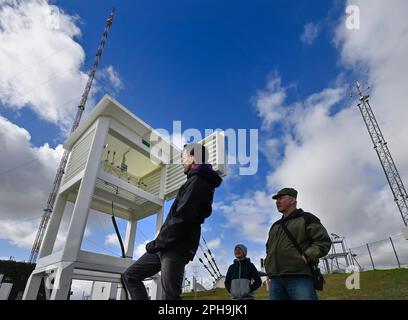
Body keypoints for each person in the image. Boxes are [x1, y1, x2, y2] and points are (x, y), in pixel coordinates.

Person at [122, 143, 222, 299]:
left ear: (193, 158)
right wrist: (159, 244)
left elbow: (182, 219)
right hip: (164, 245)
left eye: (184, 157)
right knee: (130, 276)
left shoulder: (198, 183)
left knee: (171, 296)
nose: (182, 161)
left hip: (176, 247)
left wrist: (156, 243)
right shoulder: (193, 181)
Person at [265, 187, 332, 300]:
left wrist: (307, 255)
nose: (277, 201)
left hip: (299, 277)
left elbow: (323, 242)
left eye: (281, 198)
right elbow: (269, 249)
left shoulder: (307, 218)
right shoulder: (274, 226)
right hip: (276, 280)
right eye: (276, 199)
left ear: (292, 200)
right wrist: (268, 267)